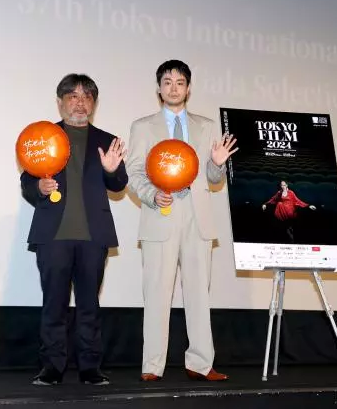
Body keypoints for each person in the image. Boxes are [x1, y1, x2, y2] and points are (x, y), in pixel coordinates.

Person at [126, 59, 237, 382]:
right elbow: (134, 172)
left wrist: (217, 164)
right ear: (159, 88)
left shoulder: (207, 126)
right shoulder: (143, 126)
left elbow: (213, 179)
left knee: (199, 293)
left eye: (180, 83)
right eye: (167, 82)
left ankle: (201, 363)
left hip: (197, 216)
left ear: (188, 88)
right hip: (160, 213)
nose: (173, 88)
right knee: (156, 293)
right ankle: (152, 365)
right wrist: (151, 194)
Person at [20, 74, 128, 386]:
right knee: (53, 305)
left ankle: (90, 368)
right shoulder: (43, 137)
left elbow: (119, 184)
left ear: (93, 103)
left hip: (93, 237)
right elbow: (27, 182)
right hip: (53, 236)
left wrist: (112, 171)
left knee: (89, 306)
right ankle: (52, 368)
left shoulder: (107, 140)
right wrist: (39, 187)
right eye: (73, 96)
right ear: (60, 102)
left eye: (86, 97)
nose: (80, 103)